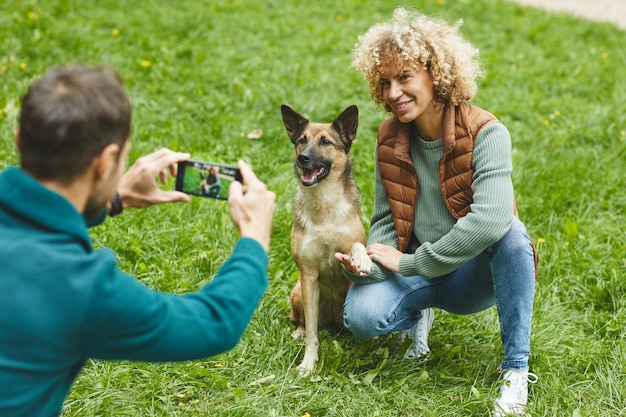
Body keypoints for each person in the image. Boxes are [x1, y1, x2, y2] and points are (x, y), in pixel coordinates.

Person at [0, 63, 276, 416]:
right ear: (105, 162)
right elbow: (212, 323)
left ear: (19, 137)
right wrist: (253, 239)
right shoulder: (80, 288)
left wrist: (114, 198)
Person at [335, 8, 537, 416]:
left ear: (436, 74)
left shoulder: (487, 132)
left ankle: (516, 368)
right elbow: (387, 220)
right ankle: (418, 317)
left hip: (468, 276)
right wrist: (368, 265)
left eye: (405, 77)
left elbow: (491, 220)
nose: (394, 93)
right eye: (385, 83)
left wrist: (412, 263)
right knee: (360, 317)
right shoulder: (389, 136)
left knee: (512, 235)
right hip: (417, 270)